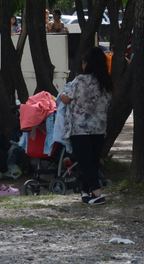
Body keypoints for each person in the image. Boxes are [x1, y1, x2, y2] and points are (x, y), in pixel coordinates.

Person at [59, 47, 113, 205]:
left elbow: (66, 99)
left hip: (80, 128)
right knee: (92, 161)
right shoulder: (106, 81)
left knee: (84, 161)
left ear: (87, 63)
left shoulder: (80, 80)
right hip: (99, 127)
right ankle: (85, 191)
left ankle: (97, 193)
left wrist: (61, 93)